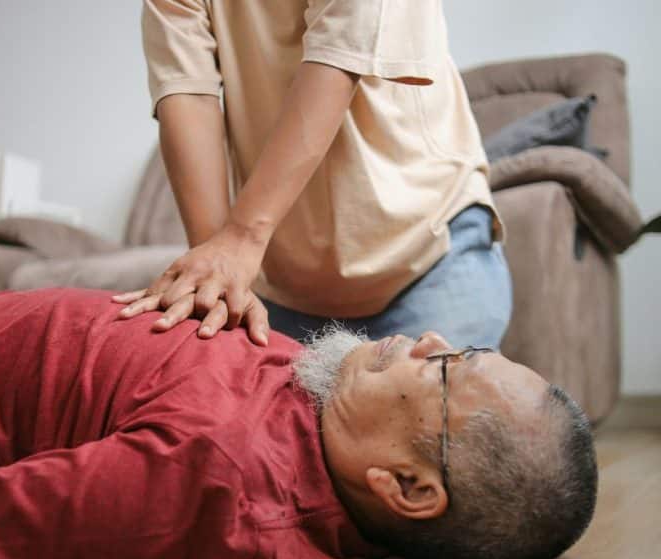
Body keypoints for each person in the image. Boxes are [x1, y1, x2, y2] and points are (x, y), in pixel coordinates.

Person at [0, 288, 597, 559]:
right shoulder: (334, 407)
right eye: (464, 345)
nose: (433, 339)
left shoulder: (217, 478)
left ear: (408, 486)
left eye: (449, 367)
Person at [112, 0, 512, 351]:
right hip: (283, 287)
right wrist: (216, 273)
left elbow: (337, 57)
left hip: (426, 249)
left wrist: (242, 235)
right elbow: (189, 95)